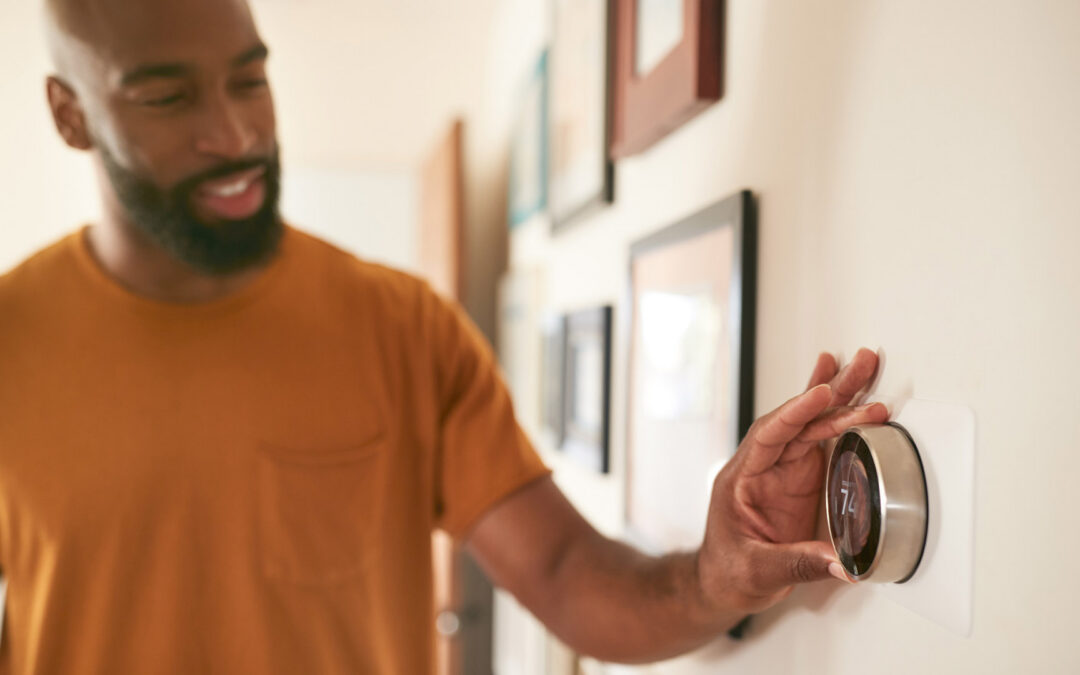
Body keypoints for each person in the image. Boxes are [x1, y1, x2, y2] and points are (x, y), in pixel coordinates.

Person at [0, 0, 888, 672]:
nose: (235, 133)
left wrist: (713, 575)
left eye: (249, 78)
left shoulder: (403, 327)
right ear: (70, 114)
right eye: (165, 96)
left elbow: (567, 572)